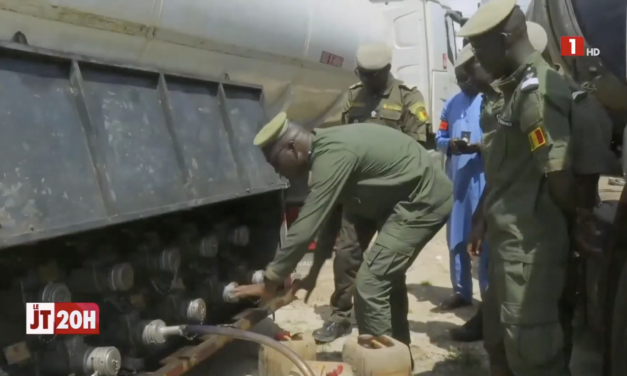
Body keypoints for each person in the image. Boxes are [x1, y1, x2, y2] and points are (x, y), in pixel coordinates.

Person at [232, 112, 453, 356]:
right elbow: (328, 222)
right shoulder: (325, 147)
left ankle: (379, 364)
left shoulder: (332, 157)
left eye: (276, 164)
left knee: (371, 284)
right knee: (386, 278)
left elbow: (306, 225)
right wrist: (312, 274)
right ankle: (400, 355)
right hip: (391, 201)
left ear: (292, 149)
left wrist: (270, 281)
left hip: (422, 201)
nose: (279, 172)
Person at [458, 1, 580, 375]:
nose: (475, 58)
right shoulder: (511, 91)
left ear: (507, 38)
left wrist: (574, 230)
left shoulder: (535, 92)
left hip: (531, 248)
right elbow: (505, 170)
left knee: (532, 356)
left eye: (480, 48)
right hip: (509, 244)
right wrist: (483, 220)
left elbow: (557, 175)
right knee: (499, 345)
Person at [311, 43, 432, 343]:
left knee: (389, 267)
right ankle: (340, 317)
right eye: (361, 74)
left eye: (370, 75)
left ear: (385, 71)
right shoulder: (355, 96)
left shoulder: (409, 98)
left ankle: (396, 330)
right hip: (359, 195)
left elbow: (418, 150)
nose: (364, 80)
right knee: (347, 255)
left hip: (393, 198)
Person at [527, 20, 620, 365]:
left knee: (579, 284)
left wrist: (580, 218)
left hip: (582, 206)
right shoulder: (559, 93)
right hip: (563, 208)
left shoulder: (582, 105)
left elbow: (593, 175)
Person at [438, 44, 491, 342]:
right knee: (456, 238)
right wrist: (450, 145)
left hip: (484, 181)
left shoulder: (489, 102)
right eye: (458, 78)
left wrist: (478, 148)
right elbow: (439, 135)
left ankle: (487, 304)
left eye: (466, 77)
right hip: (458, 182)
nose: (463, 83)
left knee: (482, 243)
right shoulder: (451, 104)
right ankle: (461, 293)